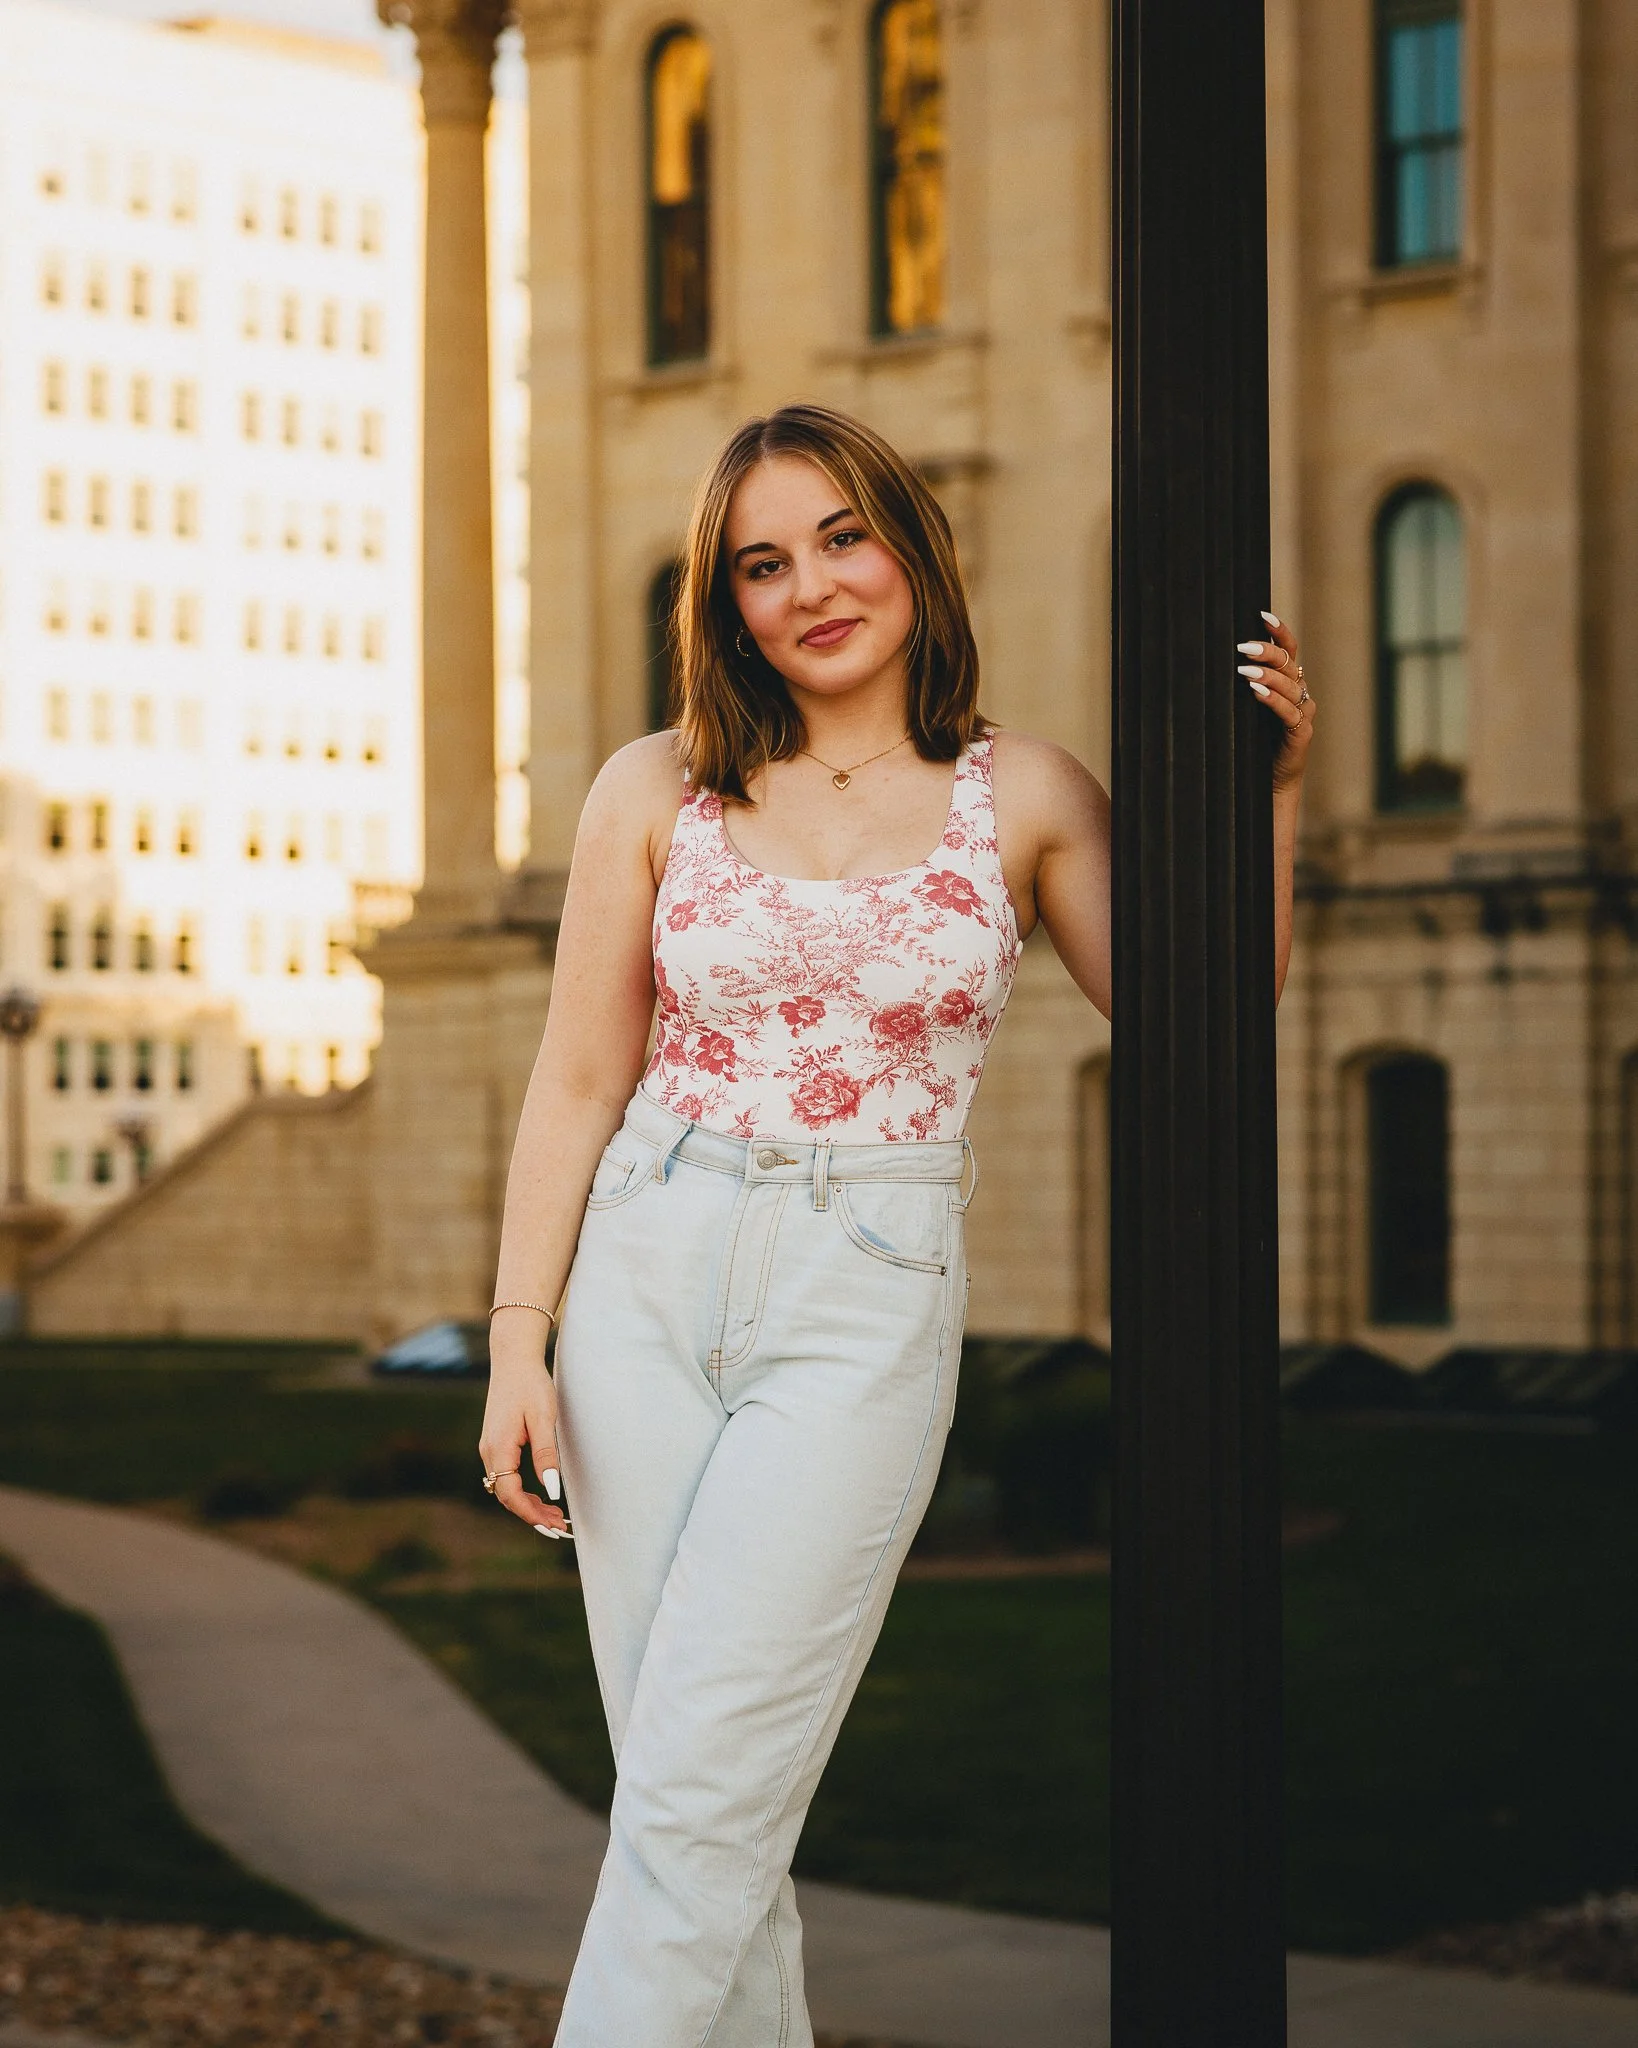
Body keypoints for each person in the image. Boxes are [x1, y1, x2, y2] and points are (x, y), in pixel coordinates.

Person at [479, 403, 1314, 2045]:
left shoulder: (1027, 795)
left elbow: (1202, 1008)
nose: (811, 589)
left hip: (860, 1299)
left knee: (697, 1803)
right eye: (762, 563)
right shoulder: (658, 785)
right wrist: (520, 1340)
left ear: (912, 548)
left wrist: (1270, 794)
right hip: (642, 1273)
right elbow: (578, 1079)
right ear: (725, 604)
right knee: (703, 1809)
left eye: (843, 536)